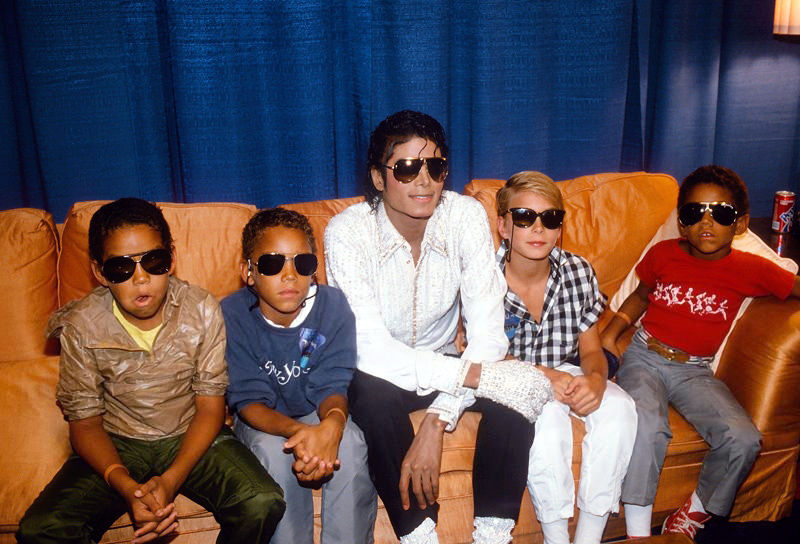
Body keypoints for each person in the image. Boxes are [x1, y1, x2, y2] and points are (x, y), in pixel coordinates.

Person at [324, 110, 552, 544]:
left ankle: (492, 538)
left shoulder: (464, 216)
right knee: (370, 398)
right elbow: (368, 346)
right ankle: (420, 537)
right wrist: (472, 376)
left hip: (446, 359)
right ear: (378, 177)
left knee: (514, 400)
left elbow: (488, 331)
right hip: (378, 372)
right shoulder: (347, 232)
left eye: (435, 166)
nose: (424, 181)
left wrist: (438, 419)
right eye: (407, 168)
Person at [16, 198, 285, 544]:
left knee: (262, 501)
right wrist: (125, 484)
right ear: (99, 272)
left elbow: (210, 407)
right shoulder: (81, 325)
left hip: (189, 431)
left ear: (171, 259)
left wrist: (171, 481)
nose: (141, 278)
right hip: (117, 441)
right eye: (121, 268)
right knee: (41, 529)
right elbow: (84, 424)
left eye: (153, 261)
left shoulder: (201, 309)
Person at [601, 165, 800, 539]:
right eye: (694, 212)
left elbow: (793, 287)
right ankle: (639, 534)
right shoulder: (663, 255)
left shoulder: (751, 269)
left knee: (743, 438)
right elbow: (640, 296)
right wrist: (610, 335)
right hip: (645, 356)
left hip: (694, 370)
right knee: (647, 426)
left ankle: (694, 511)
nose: (706, 222)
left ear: (740, 224)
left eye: (721, 213)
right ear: (682, 223)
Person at [496, 171, 637, 544]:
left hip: (567, 368)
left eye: (550, 218)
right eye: (524, 217)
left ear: (560, 227)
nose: (538, 228)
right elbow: (482, 358)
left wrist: (597, 379)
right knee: (548, 424)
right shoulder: (484, 278)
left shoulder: (578, 271)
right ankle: (556, 537)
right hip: (513, 376)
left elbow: (590, 349)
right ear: (503, 226)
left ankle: (589, 535)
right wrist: (546, 377)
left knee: (621, 410)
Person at [221, 207, 377, 544]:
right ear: (248, 272)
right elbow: (249, 401)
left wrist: (332, 424)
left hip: (314, 409)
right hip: (263, 418)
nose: (289, 275)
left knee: (350, 443)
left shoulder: (333, 306)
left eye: (302, 263)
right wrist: (299, 434)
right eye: (272, 264)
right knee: (274, 455)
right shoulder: (232, 315)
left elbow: (333, 384)